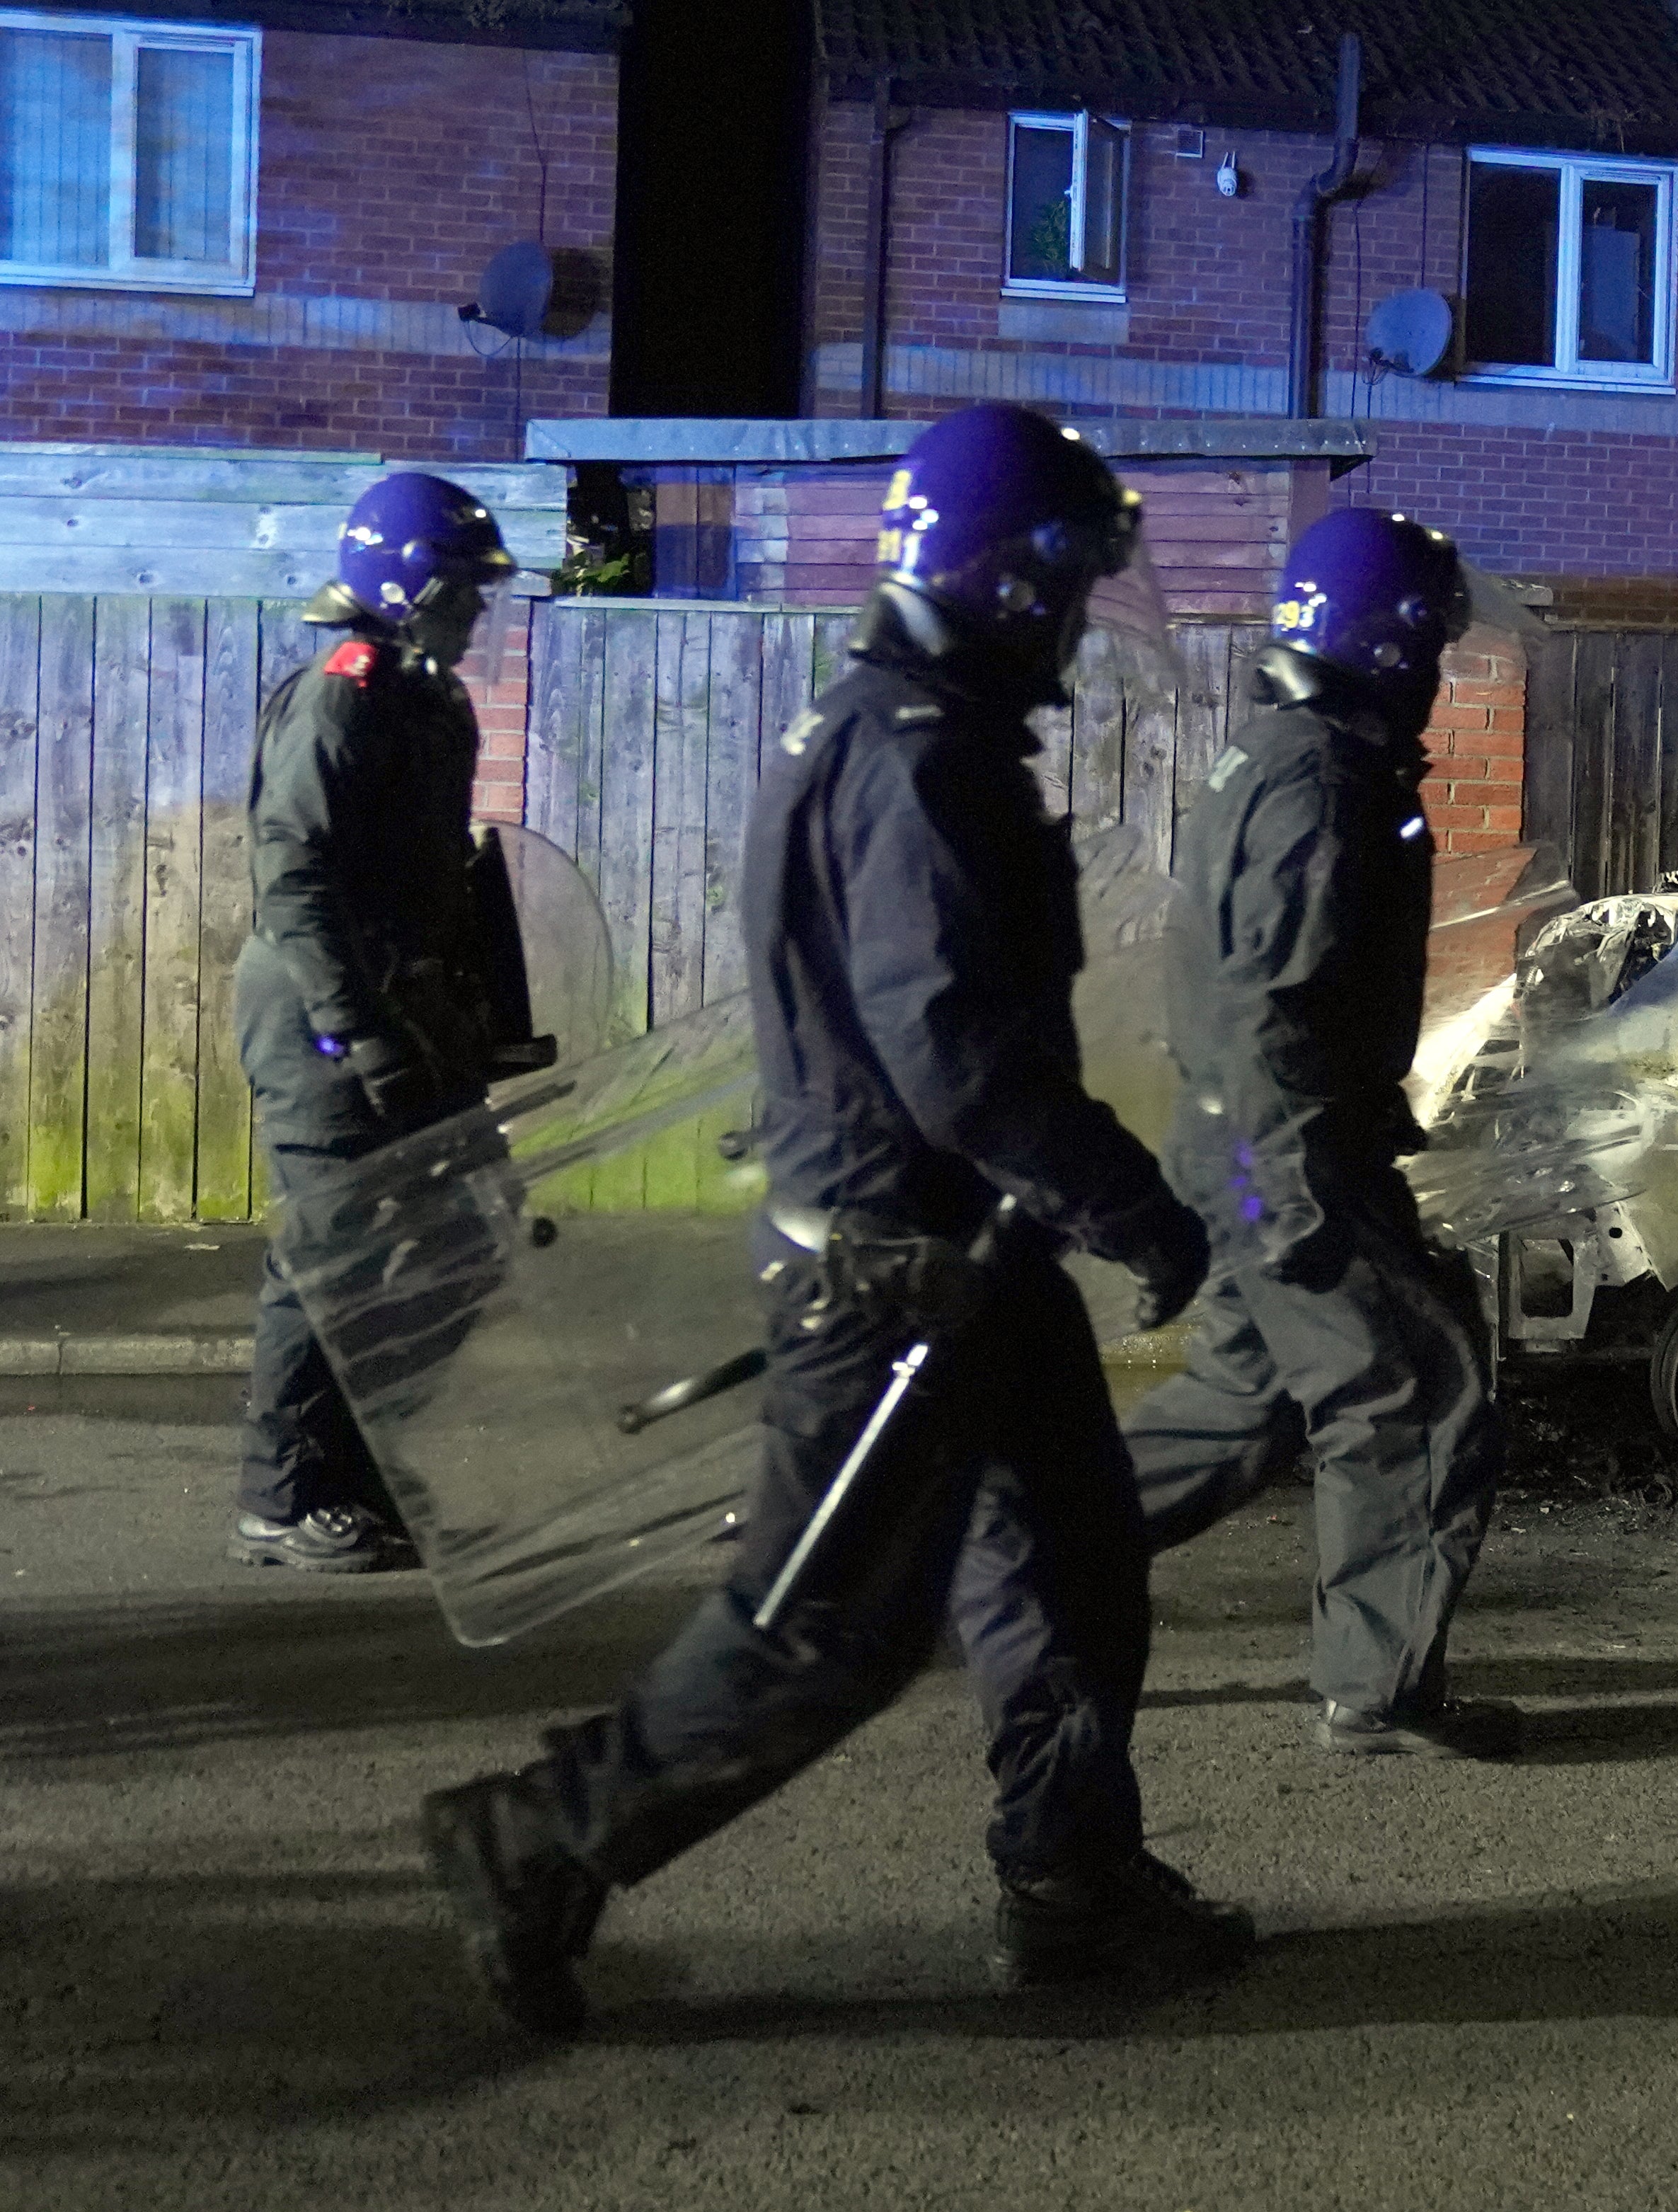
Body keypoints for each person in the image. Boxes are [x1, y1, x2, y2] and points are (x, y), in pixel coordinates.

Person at [420, 404, 1237, 2035]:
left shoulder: (899, 726)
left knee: (1074, 1566)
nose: (1082, 614)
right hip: (894, 1278)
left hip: (968, 1260)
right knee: (827, 1636)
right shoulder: (921, 757)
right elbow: (955, 1054)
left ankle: (1070, 1874)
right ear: (1006, 578)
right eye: (1070, 578)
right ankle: (536, 1838)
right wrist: (1132, 1204)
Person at [1120, 508, 1517, 1759]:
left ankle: (1004, 1549)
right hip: (1282, 1158)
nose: (1443, 672)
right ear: (1390, 642)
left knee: (1245, 1404)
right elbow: (1271, 1008)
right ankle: (1378, 1697)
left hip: (1251, 1152)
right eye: (1433, 648)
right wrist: (1298, 1184)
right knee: (1414, 1395)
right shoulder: (1325, 778)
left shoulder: (1289, 754)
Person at [229, 475, 517, 1574]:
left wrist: (465, 1010)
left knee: (475, 1235)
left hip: (409, 1008)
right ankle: (283, 1496)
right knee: (330, 1255)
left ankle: (355, 1471)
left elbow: (425, 876)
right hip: (321, 1018)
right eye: (467, 592)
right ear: (414, 588)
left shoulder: (422, 695)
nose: (479, 612)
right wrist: (360, 1032)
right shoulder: (341, 695)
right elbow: (293, 875)